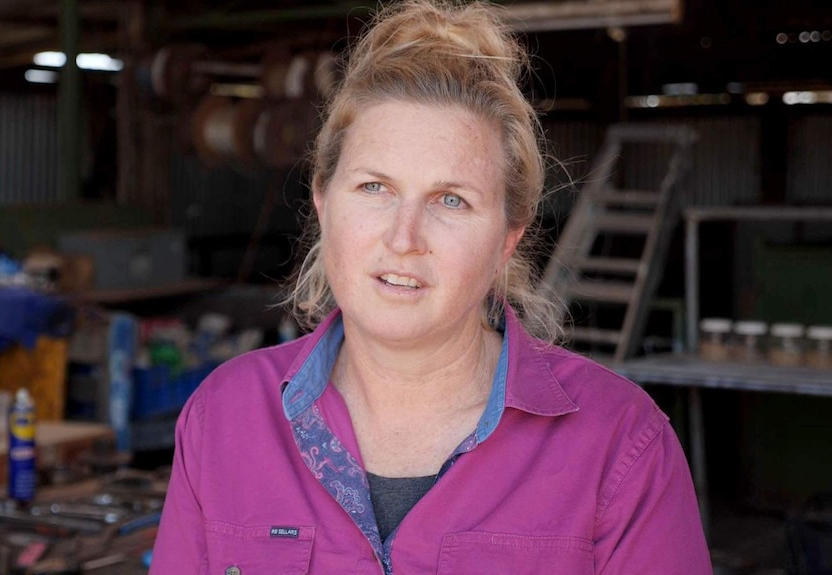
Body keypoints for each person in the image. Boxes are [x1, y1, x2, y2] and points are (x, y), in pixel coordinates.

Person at [150, 0, 713, 573]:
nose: (404, 236)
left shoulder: (620, 444)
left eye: (451, 200)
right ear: (323, 202)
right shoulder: (224, 419)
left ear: (507, 237)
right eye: (374, 187)